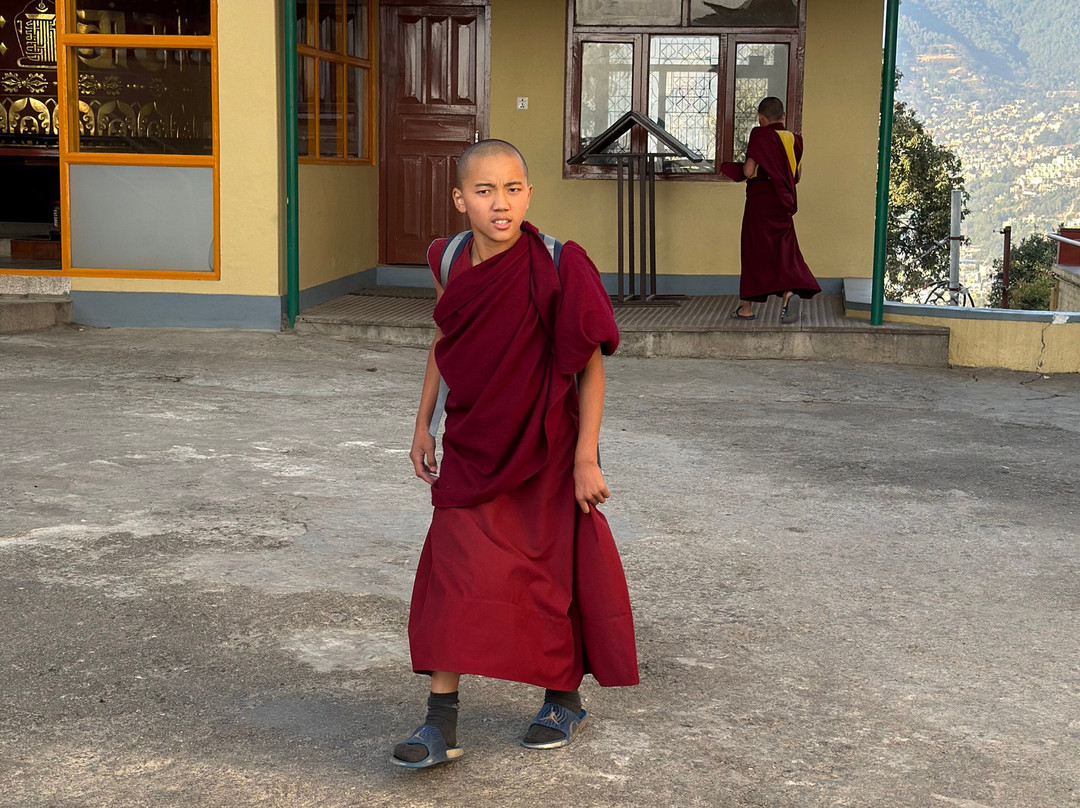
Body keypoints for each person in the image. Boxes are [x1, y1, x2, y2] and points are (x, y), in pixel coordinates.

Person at [392, 139, 639, 769]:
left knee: (545, 578)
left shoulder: (560, 262)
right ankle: (438, 724)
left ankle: (563, 698)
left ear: (528, 193)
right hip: (474, 445)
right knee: (453, 574)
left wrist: (588, 458)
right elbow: (447, 343)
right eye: (484, 191)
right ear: (460, 200)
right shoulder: (449, 260)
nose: (499, 204)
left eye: (512, 189)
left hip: (547, 448)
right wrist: (424, 422)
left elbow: (589, 367)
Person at [721, 96, 821, 322]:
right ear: (783, 116)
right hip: (783, 201)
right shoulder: (796, 140)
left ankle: (746, 309)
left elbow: (748, 171)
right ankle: (788, 292)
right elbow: (796, 176)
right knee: (783, 250)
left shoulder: (760, 135)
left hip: (760, 200)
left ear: (760, 117)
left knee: (753, 251)